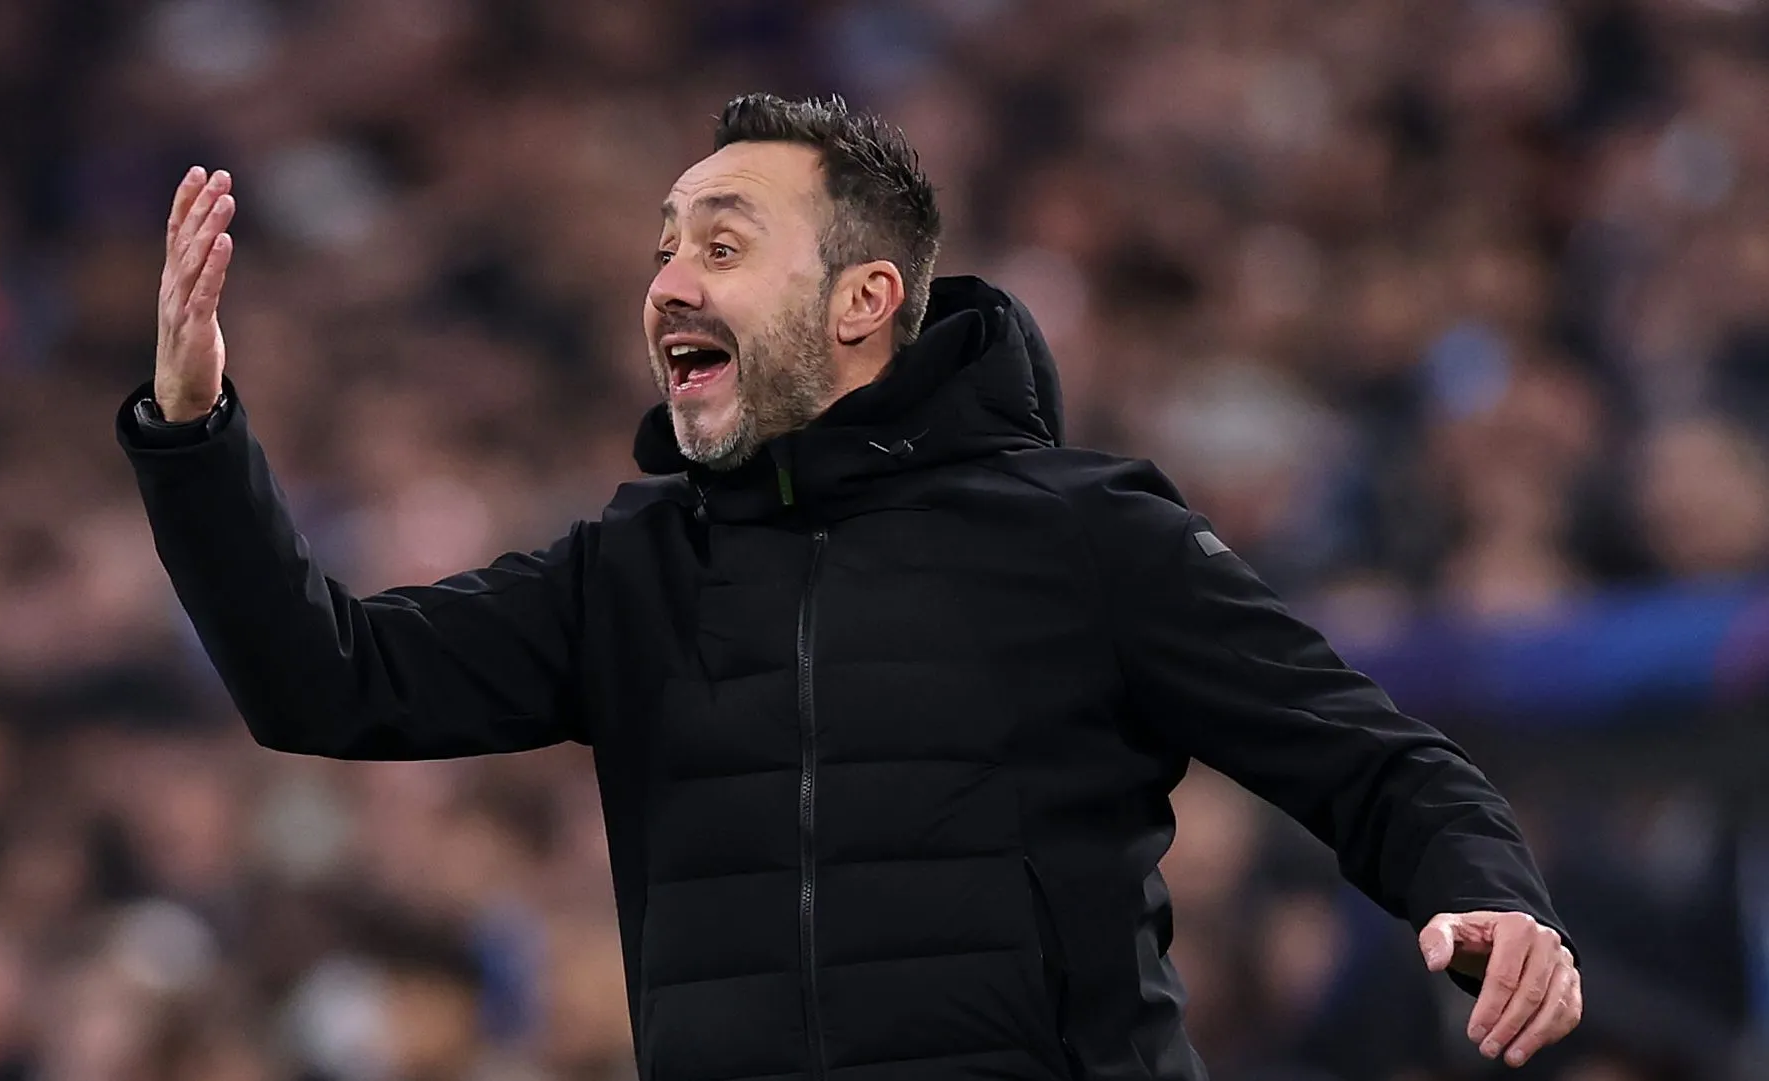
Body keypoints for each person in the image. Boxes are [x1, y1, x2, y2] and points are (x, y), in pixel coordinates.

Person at [119, 94, 1581, 1081]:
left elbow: (1375, 764)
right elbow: (324, 680)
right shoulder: (628, 572)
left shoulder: (1081, 537)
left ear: (864, 302)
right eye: (663, 251)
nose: (669, 281)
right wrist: (191, 437)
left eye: (722, 244)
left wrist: (1487, 900)